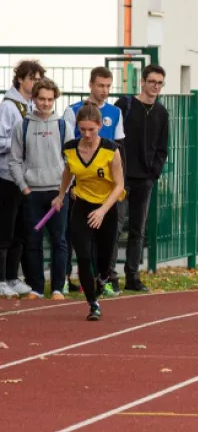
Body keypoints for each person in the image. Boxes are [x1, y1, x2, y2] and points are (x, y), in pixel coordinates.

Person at [52, 103, 125, 321]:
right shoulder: (71, 149)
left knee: (103, 259)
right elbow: (68, 171)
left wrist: (103, 210)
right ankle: (93, 304)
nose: (86, 134)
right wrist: (61, 194)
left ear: (100, 126)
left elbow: (119, 185)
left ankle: (102, 278)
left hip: (106, 206)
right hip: (82, 204)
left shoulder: (111, 150)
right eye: (82, 129)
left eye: (91, 130)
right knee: (83, 256)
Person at [62, 66, 125, 295]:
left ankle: (104, 276)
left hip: (107, 186)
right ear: (91, 85)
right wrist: (65, 190)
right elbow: (68, 160)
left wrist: (119, 183)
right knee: (77, 240)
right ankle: (70, 278)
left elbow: (120, 147)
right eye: (100, 85)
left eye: (108, 86)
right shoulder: (72, 111)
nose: (105, 90)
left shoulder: (115, 113)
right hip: (83, 187)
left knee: (107, 241)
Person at [9, 78, 73, 300]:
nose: (46, 103)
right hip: (32, 194)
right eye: (41, 99)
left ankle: (57, 287)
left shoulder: (64, 126)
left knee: (59, 241)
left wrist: (63, 192)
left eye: (50, 99)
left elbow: (71, 163)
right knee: (33, 242)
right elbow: (14, 160)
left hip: (57, 193)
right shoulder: (22, 125)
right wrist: (24, 188)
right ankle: (36, 287)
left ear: (55, 99)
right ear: (34, 99)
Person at [114, 65, 169, 292]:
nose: (155, 86)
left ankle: (132, 275)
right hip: (121, 178)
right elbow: (113, 139)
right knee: (115, 228)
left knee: (138, 230)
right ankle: (109, 275)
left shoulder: (161, 112)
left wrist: (153, 173)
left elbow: (162, 147)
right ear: (143, 82)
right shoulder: (124, 105)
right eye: (152, 81)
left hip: (145, 179)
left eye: (160, 83)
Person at [0, 60, 45, 299]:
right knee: (5, 229)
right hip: (8, 176)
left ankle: (11, 277)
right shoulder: (9, 106)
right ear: (21, 79)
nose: (36, 83)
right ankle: (1, 279)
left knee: (20, 230)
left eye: (39, 79)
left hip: (26, 177)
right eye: (33, 79)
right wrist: (20, 142)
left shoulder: (31, 106)